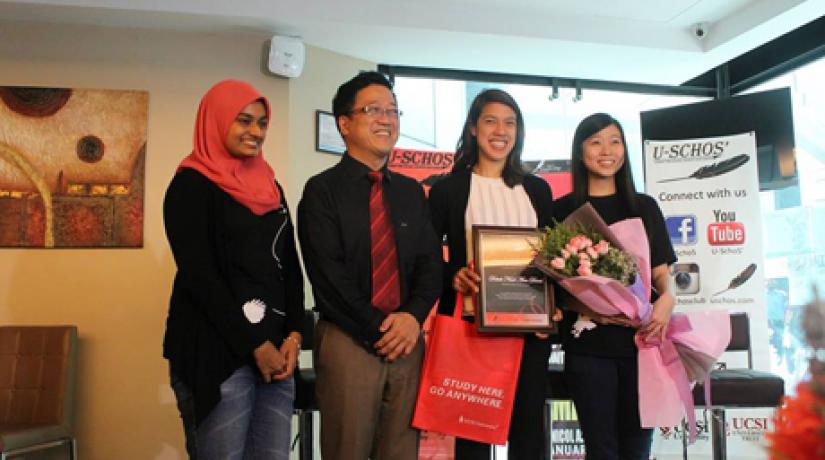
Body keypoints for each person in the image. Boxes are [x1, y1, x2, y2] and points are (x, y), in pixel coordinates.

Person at [297, 71, 442, 460]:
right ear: (344, 123)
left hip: (407, 339)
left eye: (393, 111)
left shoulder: (411, 192)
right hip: (348, 339)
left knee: (401, 452)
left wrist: (411, 317)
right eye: (373, 110)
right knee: (349, 450)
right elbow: (328, 277)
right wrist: (381, 326)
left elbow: (430, 266)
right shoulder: (321, 190)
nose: (386, 119)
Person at [163, 80, 305, 460]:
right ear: (216, 120)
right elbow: (201, 276)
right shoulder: (190, 186)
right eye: (244, 120)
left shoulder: (270, 187)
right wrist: (254, 346)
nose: (256, 132)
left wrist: (293, 337)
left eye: (262, 123)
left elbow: (289, 267)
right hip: (216, 353)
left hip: (275, 354)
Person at [428, 88, 556, 460]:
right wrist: (453, 277)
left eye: (510, 122)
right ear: (472, 128)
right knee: (472, 432)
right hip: (471, 328)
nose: (501, 130)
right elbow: (425, 257)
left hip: (530, 331)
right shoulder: (447, 190)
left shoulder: (537, 189)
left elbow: (552, 257)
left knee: (528, 433)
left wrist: (553, 303)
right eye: (490, 120)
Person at [553, 113, 676, 460]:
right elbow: (554, 285)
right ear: (580, 152)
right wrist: (589, 308)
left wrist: (667, 301)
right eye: (595, 142)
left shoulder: (645, 206)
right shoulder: (562, 210)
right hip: (589, 349)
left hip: (643, 345)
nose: (607, 150)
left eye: (615, 141)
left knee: (638, 449)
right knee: (601, 450)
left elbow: (662, 275)